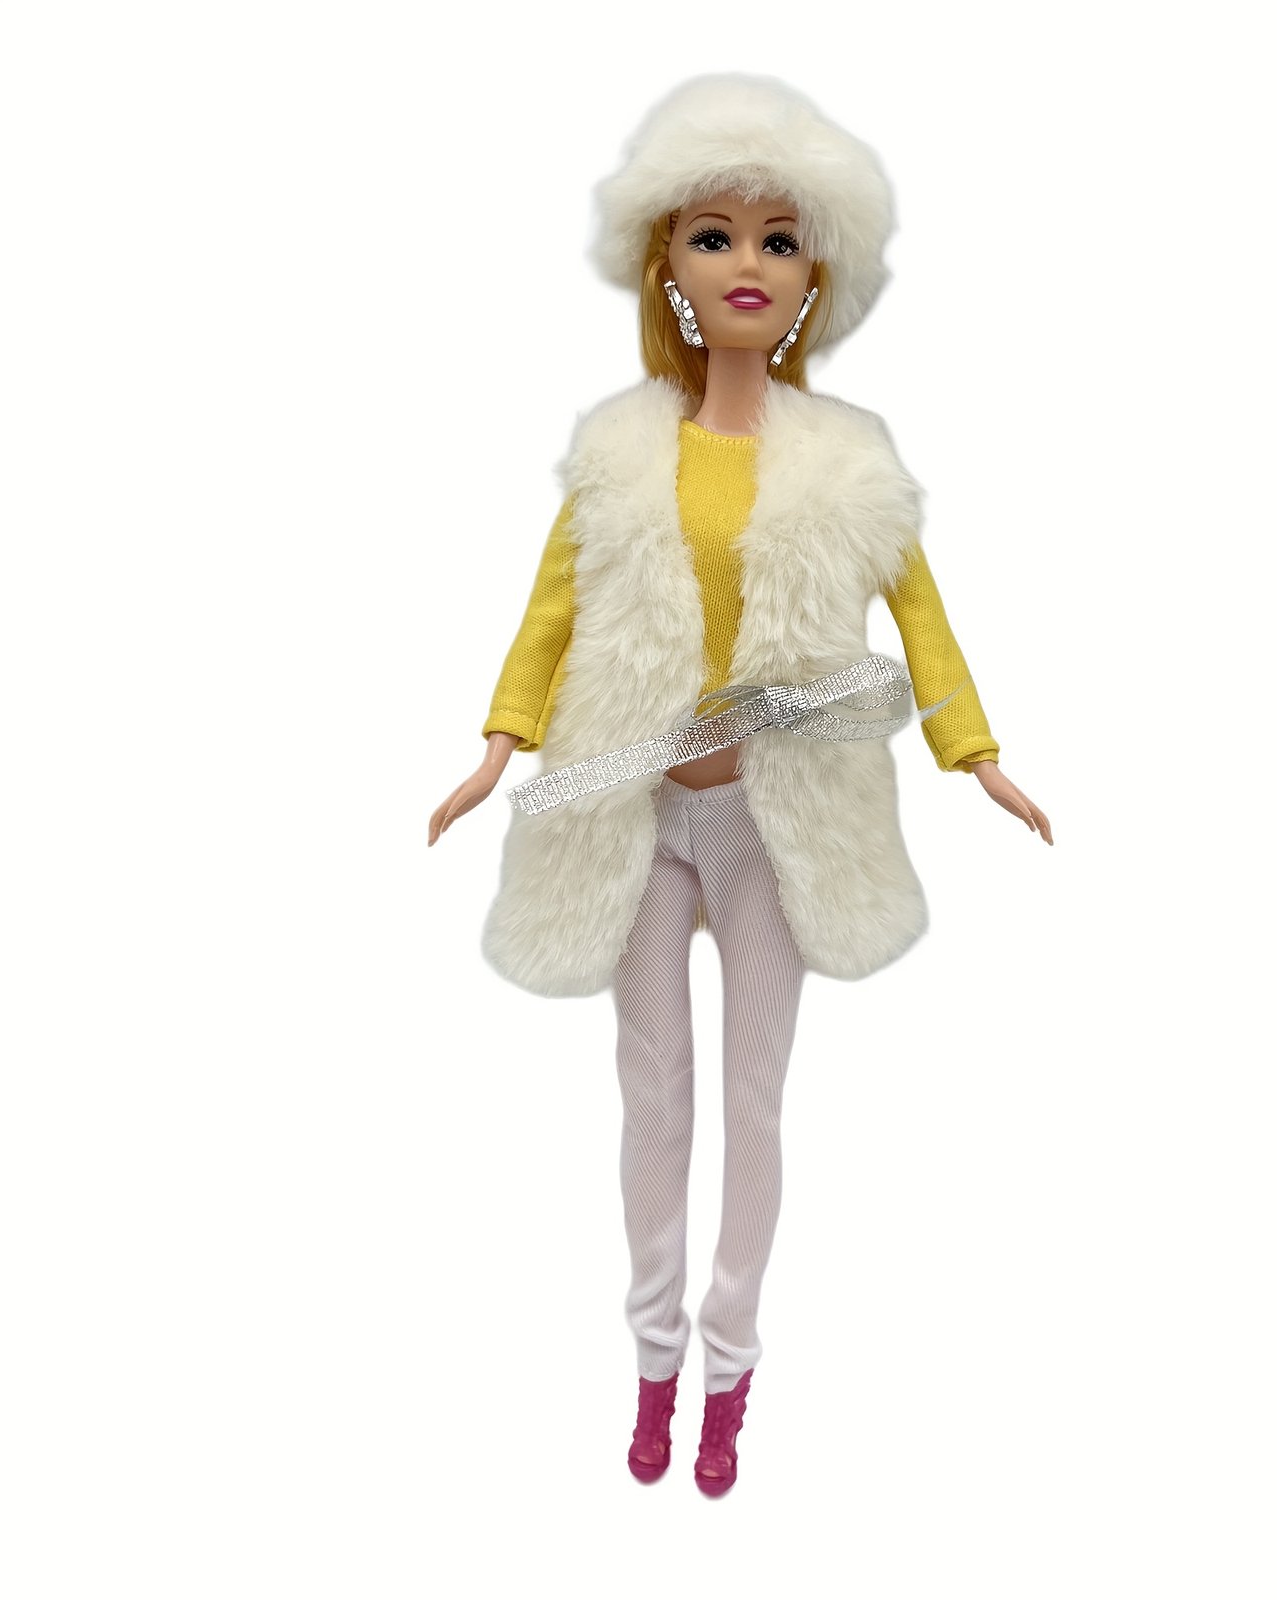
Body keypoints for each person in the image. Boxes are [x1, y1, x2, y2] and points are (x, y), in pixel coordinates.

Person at [428, 73, 1052, 1497]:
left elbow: (923, 618)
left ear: (817, 273)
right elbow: (552, 612)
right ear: (668, 264)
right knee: (655, 1101)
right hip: (637, 814)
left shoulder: (851, 462)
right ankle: (652, 1366)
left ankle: (731, 1372)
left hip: (779, 821)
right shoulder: (617, 452)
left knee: (754, 1103)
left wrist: (978, 756)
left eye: (778, 239)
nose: (746, 264)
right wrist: (499, 743)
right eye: (714, 236)